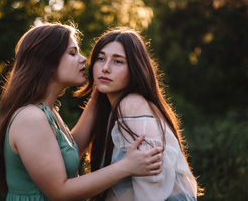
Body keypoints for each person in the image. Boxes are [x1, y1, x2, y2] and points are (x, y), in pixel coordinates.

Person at [0, 23, 163, 201]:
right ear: (48, 61)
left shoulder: (49, 112)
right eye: (72, 53)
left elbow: (69, 152)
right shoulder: (31, 118)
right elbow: (60, 192)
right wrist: (126, 166)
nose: (84, 59)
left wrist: (98, 92)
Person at [75, 27, 200, 201]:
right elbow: (70, 152)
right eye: (100, 58)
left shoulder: (131, 106)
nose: (105, 68)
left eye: (118, 61)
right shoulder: (110, 108)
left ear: (135, 69)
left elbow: (152, 191)